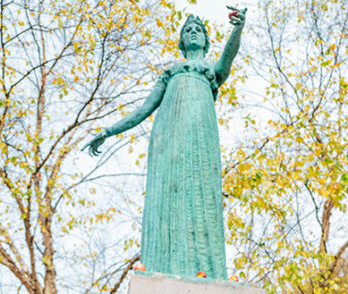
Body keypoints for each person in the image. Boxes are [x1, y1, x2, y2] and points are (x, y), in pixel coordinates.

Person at [85, 11, 247, 279]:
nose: (193, 31)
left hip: (200, 138)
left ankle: (204, 267)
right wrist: (108, 130)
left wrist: (238, 29)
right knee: (169, 196)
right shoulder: (171, 73)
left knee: (200, 192)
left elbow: (228, 58)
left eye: (199, 29)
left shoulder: (210, 72)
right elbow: (144, 108)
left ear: (206, 41)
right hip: (168, 138)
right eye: (188, 30)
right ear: (182, 41)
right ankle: (162, 264)